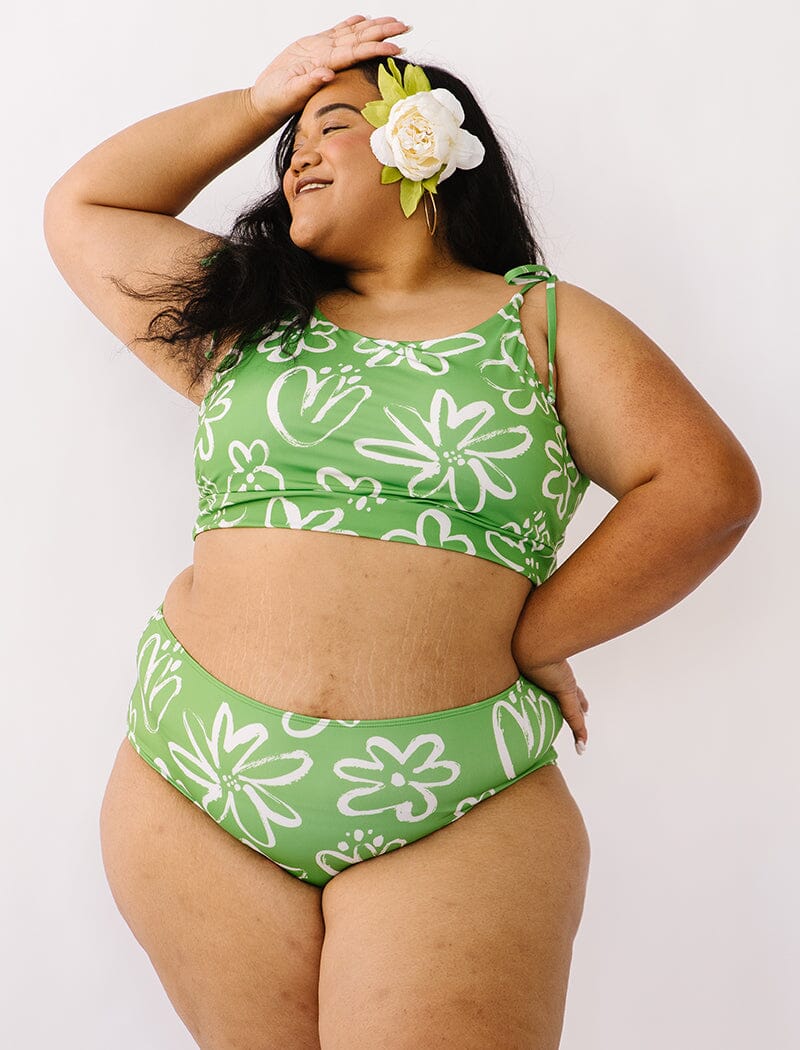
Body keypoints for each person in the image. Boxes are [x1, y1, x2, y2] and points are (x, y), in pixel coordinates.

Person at [43, 14, 761, 1050]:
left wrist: (534, 636)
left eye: (328, 126)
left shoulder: (542, 322)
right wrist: (261, 100)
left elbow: (701, 488)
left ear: (424, 143)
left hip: (453, 796)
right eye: (285, 147)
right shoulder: (244, 321)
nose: (293, 158)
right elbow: (88, 205)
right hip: (193, 777)